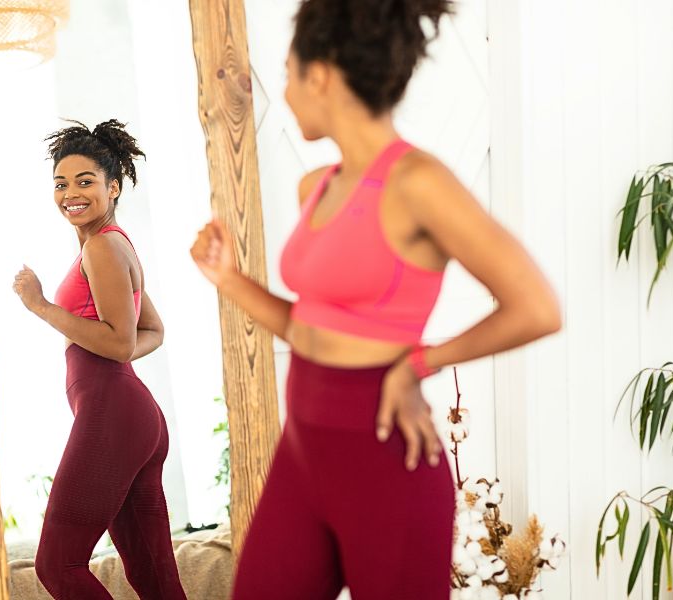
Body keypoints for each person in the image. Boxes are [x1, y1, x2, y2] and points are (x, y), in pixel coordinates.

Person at [190, 1, 562, 598]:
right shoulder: (319, 185)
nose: (282, 92)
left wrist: (420, 361)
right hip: (303, 455)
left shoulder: (418, 182)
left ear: (320, 77)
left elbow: (537, 307)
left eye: (287, 74)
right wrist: (229, 279)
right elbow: (310, 326)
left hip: (387, 463)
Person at [12, 119, 187, 600]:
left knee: (57, 564)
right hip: (133, 415)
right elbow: (151, 332)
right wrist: (117, 345)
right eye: (61, 183)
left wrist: (41, 306)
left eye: (85, 181)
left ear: (113, 186)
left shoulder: (104, 247)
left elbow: (120, 344)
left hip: (113, 412)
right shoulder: (111, 242)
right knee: (153, 576)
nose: (70, 193)